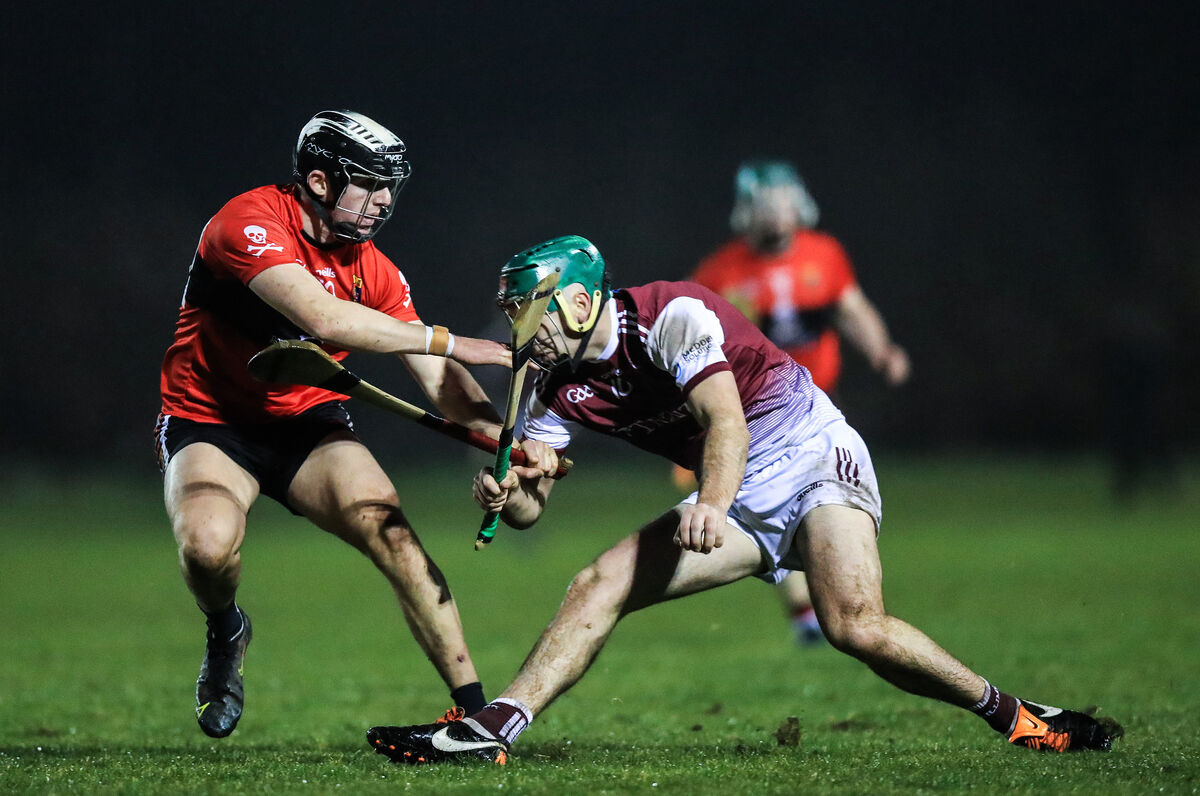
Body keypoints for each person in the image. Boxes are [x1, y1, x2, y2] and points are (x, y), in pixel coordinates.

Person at [365, 235, 1121, 765]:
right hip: (738, 493)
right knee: (599, 582)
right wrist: (510, 488)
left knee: (855, 626)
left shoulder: (672, 314)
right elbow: (530, 508)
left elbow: (724, 420)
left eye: (526, 309)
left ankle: (1020, 717)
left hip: (809, 452)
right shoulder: (554, 388)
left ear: (572, 303)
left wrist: (713, 506)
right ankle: (492, 729)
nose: (517, 328)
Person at [155, 110, 541, 739]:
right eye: (370, 184)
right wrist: (454, 340)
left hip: (308, 422)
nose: (385, 201)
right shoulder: (246, 223)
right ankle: (226, 629)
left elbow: (437, 378)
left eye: (391, 187)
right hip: (211, 421)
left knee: (392, 531)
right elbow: (324, 319)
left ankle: (475, 716)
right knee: (206, 547)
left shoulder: (375, 269)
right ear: (318, 181)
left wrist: (505, 438)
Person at [688, 160, 911, 645]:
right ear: (747, 212)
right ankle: (809, 610)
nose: (776, 214)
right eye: (766, 205)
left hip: (818, 403)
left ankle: (823, 605)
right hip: (755, 408)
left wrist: (881, 349)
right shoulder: (719, 271)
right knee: (769, 502)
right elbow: (692, 344)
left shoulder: (824, 254)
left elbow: (852, 309)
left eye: (784, 201)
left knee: (824, 494)